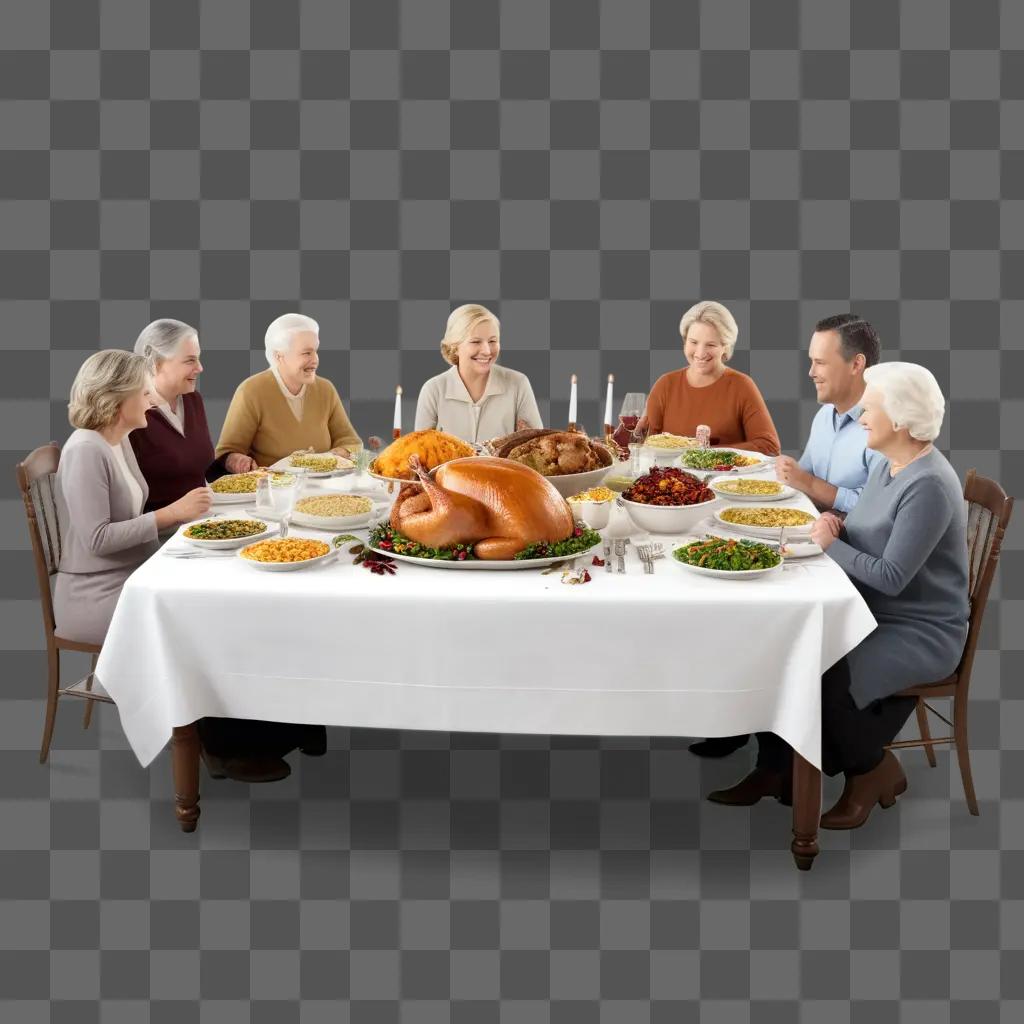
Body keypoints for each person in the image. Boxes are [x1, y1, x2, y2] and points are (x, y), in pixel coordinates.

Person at [708, 363, 969, 831]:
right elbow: (872, 532)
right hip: (869, 608)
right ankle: (777, 770)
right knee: (779, 651)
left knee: (815, 673)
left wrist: (832, 544)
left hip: (918, 629)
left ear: (903, 420)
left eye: (871, 409)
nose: (862, 417)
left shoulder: (927, 484)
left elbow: (890, 576)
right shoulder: (891, 462)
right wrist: (836, 528)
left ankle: (872, 770)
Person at [691, 313, 883, 759]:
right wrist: (786, 480)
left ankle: (777, 760)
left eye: (820, 362)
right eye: (810, 360)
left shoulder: (881, 424)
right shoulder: (825, 417)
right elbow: (803, 484)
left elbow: (879, 510)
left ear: (856, 365)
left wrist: (812, 487)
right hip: (814, 538)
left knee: (761, 615)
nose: (811, 371)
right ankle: (740, 724)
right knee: (727, 588)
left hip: (853, 559)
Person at [54, 351, 212, 647]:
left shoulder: (119, 439)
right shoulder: (85, 450)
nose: (152, 400)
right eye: (144, 392)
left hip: (135, 573)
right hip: (96, 593)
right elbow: (97, 539)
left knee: (209, 591)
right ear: (116, 398)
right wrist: (173, 513)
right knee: (197, 615)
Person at [215, 313, 362, 467]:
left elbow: (350, 441)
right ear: (279, 356)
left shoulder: (326, 389)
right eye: (306, 353)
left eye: (315, 351)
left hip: (324, 487)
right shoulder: (250, 391)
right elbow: (226, 452)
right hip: (272, 487)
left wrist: (334, 456)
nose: (315, 360)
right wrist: (237, 461)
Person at [640, 301, 781, 455]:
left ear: (725, 346)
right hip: (670, 479)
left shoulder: (742, 385)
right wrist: (631, 435)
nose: (700, 353)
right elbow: (643, 447)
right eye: (693, 342)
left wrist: (706, 454)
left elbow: (770, 447)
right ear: (684, 342)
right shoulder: (665, 384)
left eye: (711, 345)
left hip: (726, 478)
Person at [127, 319, 235, 512]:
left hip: (204, 519)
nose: (200, 368)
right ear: (157, 363)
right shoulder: (133, 413)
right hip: (162, 533)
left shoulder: (193, 400)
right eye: (190, 360)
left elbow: (197, 468)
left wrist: (230, 461)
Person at [414, 303, 543, 443]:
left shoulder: (518, 384)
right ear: (455, 347)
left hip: (504, 466)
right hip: (448, 466)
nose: (487, 351)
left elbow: (537, 446)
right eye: (476, 342)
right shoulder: (433, 390)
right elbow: (420, 451)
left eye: (492, 341)